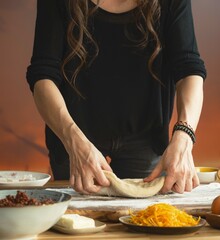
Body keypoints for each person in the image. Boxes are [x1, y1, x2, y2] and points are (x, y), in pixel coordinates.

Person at [26, 0, 206, 195]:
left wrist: (184, 135)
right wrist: (74, 142)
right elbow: (43, 76)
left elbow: (188, 69)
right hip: (75, 139)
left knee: (144, 219)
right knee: (77, 217)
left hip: (146, 140)